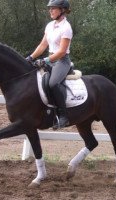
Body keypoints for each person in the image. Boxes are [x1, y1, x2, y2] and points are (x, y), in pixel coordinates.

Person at [26, 0, 73, 129]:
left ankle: (64, 116)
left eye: (53, 8)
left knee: (53, 83)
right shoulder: (50, 25)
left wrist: (45, 60)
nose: (50, 10)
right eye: (50, 8)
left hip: (62, 61)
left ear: (62, 10)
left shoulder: (66, 28)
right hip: (50, 59)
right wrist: (30, 57)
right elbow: (43, 45)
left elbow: (62, 51)